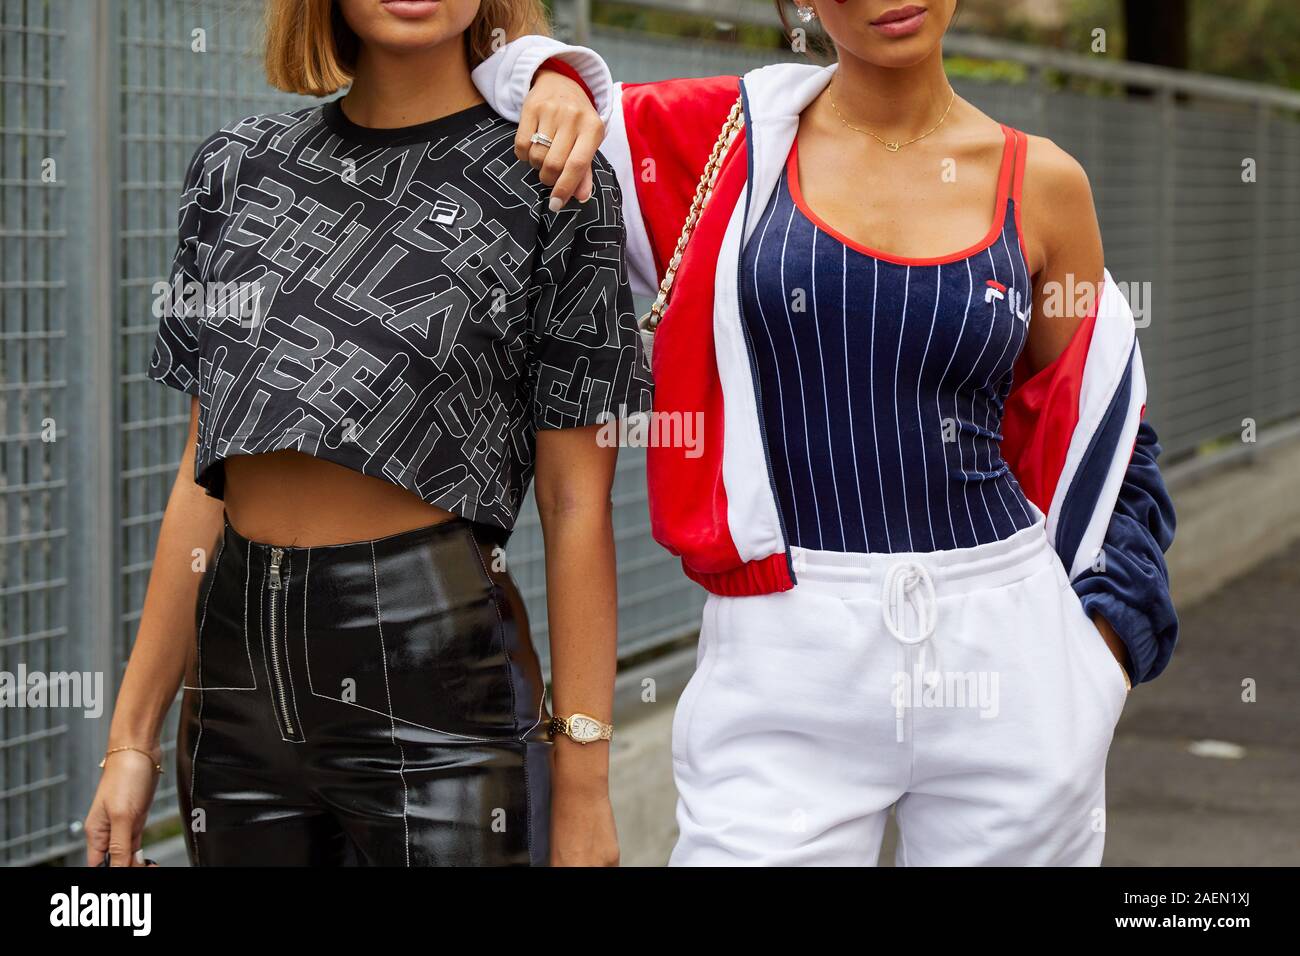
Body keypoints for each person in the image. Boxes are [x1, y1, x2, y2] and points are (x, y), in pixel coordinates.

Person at [473, 0, 1178, 864]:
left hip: (1009, 647)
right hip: (783, 650)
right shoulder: (726, 143)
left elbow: (1110, 437)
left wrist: (1098, 654)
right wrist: (550, 77)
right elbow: (499, 72)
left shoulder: (1044, 183)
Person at [83, 0, 649, 867]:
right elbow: (204, 471)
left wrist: (582, 785)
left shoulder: (554, 179)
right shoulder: (237, 170)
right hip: (235, 703)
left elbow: (577, 501)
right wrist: (131, 739)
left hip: (442, 696)